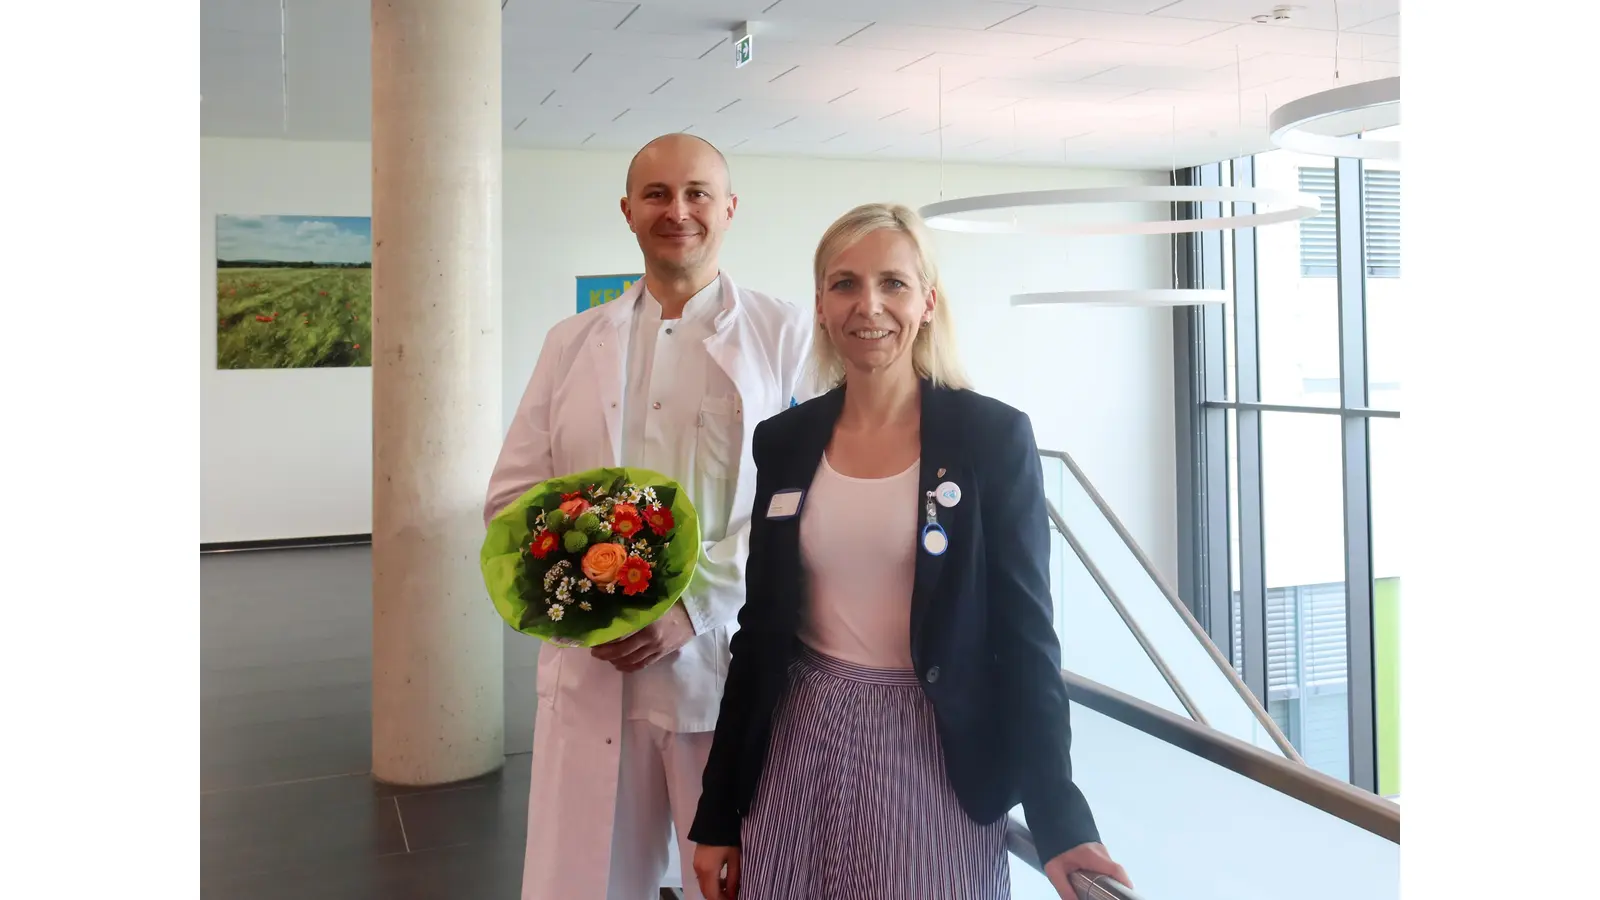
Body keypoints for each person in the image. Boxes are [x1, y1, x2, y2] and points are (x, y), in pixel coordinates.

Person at [688, 202, 1131, 900]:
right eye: (845, 284)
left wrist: (1058, 817)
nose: (870, 305)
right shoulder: (787, 440)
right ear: (822, 306)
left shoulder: (990, 439)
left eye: (893, 283)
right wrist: (718, 812)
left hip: (932, 752)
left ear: (928, 302)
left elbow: (1027, 642)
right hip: (799, 740)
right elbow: (759, 633)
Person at [484, 133, 812, 900]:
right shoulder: (572, 344)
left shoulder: (788, 337)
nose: (679, 211)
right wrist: (589, 606)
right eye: (657, 195)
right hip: (596, 673)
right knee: (589, 881)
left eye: (698, 193)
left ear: (729, 209)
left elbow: (807, 508)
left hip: (720, 666)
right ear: (628, 211)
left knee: (736, 878)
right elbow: (514, 497)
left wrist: (693, 605)